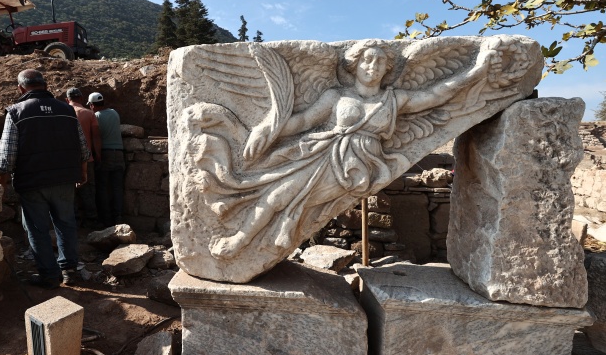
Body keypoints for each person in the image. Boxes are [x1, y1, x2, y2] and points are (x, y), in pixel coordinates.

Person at [186, 38, 504, 259]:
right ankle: (239, 241)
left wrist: (477, 71)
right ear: (354, 63)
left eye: (381, 61)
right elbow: (303, 120)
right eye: (368, 59)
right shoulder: (336, 97)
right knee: (275, 193)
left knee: (285, 197)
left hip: (357, 166)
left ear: (388, 67)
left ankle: (247, 241)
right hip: (318, 151)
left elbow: (437, 94)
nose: (374, 65)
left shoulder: (393, 99)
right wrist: (266, 129)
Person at [0, 69, 89, 288]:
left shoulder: (16, 112)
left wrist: (1, 183)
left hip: (32, 182)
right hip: (65, 179)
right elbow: (82, 146)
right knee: (66, 224)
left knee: (37, 229)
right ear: (46, 86)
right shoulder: (67, 110)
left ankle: (49, 275)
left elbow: (7, 152)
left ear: (21, 88)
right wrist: (83, 172)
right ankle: (70, 272)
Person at [66, 87, 101, 226]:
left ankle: (74, 221)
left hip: (68, 160)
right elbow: (96, 137)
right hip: (87, 158)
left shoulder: (63, 113)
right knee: (88, 190)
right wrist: (98, 154)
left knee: (69, 192)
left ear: (67, 100)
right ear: (81, 98)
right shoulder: (88, 113)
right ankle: (92, 220)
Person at [88, 91, 125, 227]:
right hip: (119, 153)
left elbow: (95, 136)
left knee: (102, 187)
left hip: (105, 154)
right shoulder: (114, 113)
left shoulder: (96, 116)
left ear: (92, 105)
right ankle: (119, 217)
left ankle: (106, 220)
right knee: (117, 188)